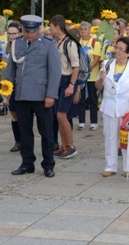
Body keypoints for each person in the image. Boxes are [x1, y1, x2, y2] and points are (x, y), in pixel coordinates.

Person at [6, 15, 61, 177]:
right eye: (26, 31)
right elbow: (10, 69)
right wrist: (7, 91)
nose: (29, 34)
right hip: (22, 94)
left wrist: (51, 94)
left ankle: (48, 164)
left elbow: (55, 72)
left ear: (39, 30)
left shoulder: (48, 44)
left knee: (47, 131)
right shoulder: (17, 43)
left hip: (42, 95)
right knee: (24, 131)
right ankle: (27, 163)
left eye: (32, 31)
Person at [96, 37, 129, 177]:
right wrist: (101, 79)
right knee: (110, 137)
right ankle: (110, 166)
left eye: (121, 49)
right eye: (116, 48)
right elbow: (97, 86)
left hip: (128, 107)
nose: (117, 51)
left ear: (128, 53)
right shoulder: (107, 64)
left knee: (128, 137)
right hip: (109, 106)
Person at [49, 15, 80, 159]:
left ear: (57, 27)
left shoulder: (69, 43)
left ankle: (71, 146)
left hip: (67, 80)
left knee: (62, 115)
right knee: (58, 116)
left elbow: (76, 66)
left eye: (51, 26)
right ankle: (64, 146)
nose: (49, 28)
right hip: (57, 80)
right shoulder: (56, 42)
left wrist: (72, 85)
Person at [77, 21, 102, 132]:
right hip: (80, 75)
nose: (83, 31)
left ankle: (94, 122)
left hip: (92, 75)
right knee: (81, 99)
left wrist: (88, 68)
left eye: (85, 29)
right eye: (81, 29)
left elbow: (96, 58)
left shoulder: (95, 42)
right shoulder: (77, 42)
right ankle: (81, 122)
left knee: (93, 99)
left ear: (90, 30)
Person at [4, 22, 22, 152]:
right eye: (9, 34)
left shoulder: (21, 47)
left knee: (20, 113)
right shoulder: (7, 48)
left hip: (19, 83)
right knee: (13, 112)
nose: (11, 36)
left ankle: (24, 139)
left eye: (14, 33)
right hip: (8, 83)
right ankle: (17, 140)